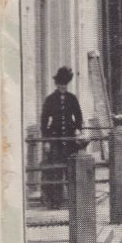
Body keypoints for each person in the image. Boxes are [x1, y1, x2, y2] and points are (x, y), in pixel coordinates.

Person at [40, 66, 83, 209]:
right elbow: (44, 121)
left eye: (65, 84)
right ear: (56, 84)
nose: (63, 87)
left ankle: (74, 201)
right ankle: (55, 201)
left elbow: (78, 116)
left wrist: (77, 129)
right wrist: (46, 140)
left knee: (71, 170)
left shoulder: (72, 98)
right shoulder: (50, 99)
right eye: (60, 84)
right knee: (56, 171)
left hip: (70, 140)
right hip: (55, 139)